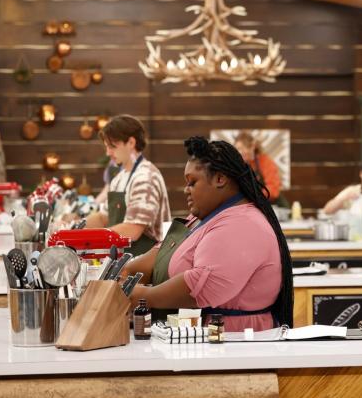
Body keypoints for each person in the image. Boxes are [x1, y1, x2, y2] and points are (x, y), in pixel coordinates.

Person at [123, 137, 293, 332]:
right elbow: (161, 253)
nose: (186, 190)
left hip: (233, 345)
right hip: (197, 342)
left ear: (220, 179)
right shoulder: (203, 217)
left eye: (192, 182)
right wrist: (126, 272)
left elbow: (202, 287)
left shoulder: (241, 224)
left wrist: (144, 296)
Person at [98, 115, 171, 256]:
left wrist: (90, 238)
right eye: (107, 147)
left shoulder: (145, 177)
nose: (108, 153)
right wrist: (74, 227)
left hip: (145, 264)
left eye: (112, 146)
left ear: (131, 142)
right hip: (124, 261)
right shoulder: (119, 178)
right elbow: (103, 218)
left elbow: (132, 230)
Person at [235, 131, 282, 203]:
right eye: (237, 149)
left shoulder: (265, 161)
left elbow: (273, 190)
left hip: (271, 205)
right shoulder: (238, 166)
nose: (240, 152)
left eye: (242, 148)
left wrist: (254, 196)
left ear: (252, 146)